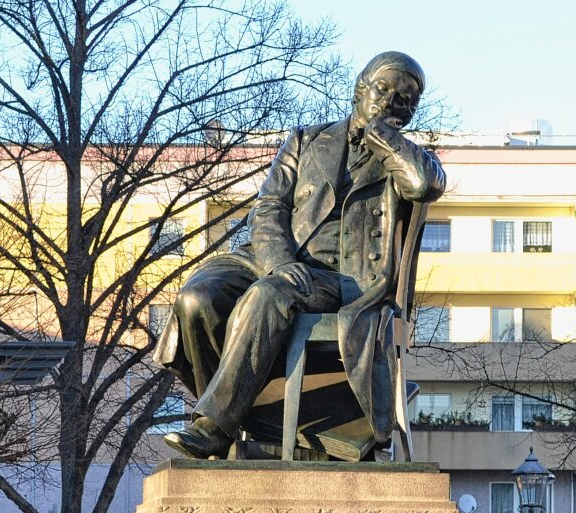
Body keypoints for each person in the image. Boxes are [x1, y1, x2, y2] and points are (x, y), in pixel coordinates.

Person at [154, 51, 446, 459]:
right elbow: (269, 207)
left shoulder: (408, 160)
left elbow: (423, 186)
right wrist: (279, 261)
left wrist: (388, 142)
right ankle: (241, 412)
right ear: (360, 89)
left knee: (268, 296)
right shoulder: (306, 140)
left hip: (340, 279)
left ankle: (216, 426)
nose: (390, 103)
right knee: (195, 299)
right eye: (383, 90)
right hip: (267, 257)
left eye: (404, 99)